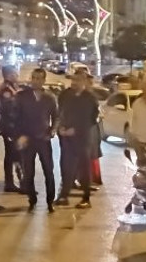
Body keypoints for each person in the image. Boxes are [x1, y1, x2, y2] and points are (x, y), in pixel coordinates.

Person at [56, 67, 100, 209]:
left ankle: (86, 198)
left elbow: (92, 119)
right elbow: (60, 112)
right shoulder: (65, 95)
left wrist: (75, 130)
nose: (74, 83)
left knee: (84, 168)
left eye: (78, 80)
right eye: (73, 80)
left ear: (84, 82)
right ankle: (63, 195)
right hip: (66, 138)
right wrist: (60, 128)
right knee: (66, 166)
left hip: (82, 138)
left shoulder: (90, 98)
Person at [16, 67, 59, 213]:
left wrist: (53, 130)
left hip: (43, 139)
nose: (36, 81)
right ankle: (32, 200)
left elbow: (56, 116)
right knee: (28, 172)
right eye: (34, 77)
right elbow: (15, 118)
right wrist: (19, 135)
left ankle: (50, 201)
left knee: (49, 170)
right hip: (28, 139)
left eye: (39, 78)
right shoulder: (22, 96)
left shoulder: (49, 97)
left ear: (44, 80)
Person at [0, 67, 22, 193]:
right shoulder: (6, 89)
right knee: (13, 155)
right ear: (9, 75)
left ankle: (15, 181)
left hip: (12, 126)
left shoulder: (12, 86)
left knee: (14, 155)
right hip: (10, 127)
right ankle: (11, 182)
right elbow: (8, 109)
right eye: (15, 73)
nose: (17, 75)